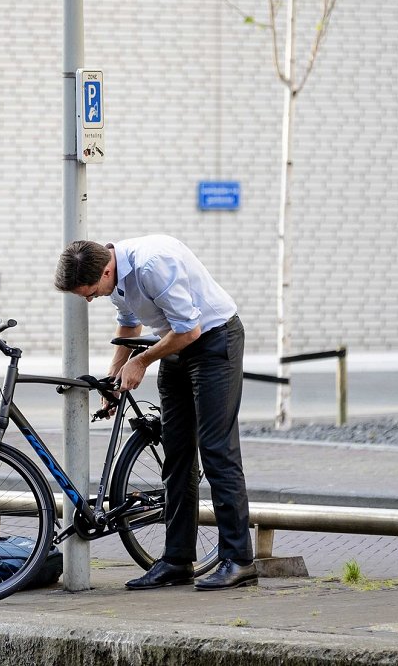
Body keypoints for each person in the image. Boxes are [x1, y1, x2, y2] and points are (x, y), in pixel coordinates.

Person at [54, 236, 256, 590]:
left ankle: (239, 560)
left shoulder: (152, 265)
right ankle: (177, 560)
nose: (91, 298)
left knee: (215, 449)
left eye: (91, 292)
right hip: (178, 344)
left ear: (106, 270)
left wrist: (142, 360)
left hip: (213, 341)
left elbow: (190, 329)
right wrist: (115, 378)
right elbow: (129, 325)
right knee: (176, 452)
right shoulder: (114, 276)